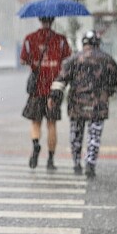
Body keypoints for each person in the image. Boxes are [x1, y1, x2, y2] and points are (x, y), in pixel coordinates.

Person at [50, 30, 117, 179]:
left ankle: (76, 163)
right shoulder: (108, 60)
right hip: (98, 105)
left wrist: (54, 98)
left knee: (76, 134)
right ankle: (90, 164)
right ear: (97, 44)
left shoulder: (73, 60)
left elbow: (61, 80)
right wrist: (108, 93)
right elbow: (114, 82)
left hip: (77, 104)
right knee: (94, 136)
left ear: (84, 44)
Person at [20, 16, 72, 170]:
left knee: (35, 122)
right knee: (51, 124)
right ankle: (50, 160)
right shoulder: (61, 40)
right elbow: (67, 60)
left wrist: (35, 63)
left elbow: (23, 60)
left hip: (36, 89)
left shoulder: (30, 39)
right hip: (54, 88)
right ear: (53, 20)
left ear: (39, 20)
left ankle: (36, 144)